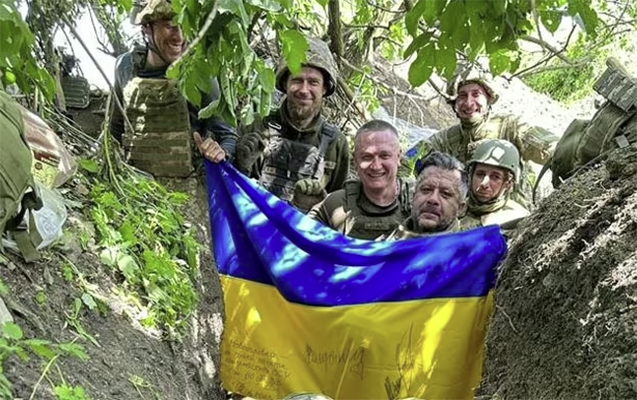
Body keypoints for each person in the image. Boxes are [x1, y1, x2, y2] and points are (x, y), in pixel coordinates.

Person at [110, 0, 237, 179]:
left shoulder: (199, 72)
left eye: (184, 25)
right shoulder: (125, 67)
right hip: (136, 186)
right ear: (146, 27)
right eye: (170, 26)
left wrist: (220, 152)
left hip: (188, 186)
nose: (179, 37)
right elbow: (115, 129)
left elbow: (228, 136)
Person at [406, 63, 558, 207]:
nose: (469, 103)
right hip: (463, 216)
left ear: (488, 97)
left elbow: (551, 148)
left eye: (476, 94)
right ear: (454, 103)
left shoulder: (510, 128)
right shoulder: (444, 140)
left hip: (510, 216)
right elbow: (407, 161)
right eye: (462, 96)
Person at [233, 37, 350, 212]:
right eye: (297, 80)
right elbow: (230, 195)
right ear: (285, 83)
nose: (304, 90)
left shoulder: (336, 144)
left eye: (313, 82)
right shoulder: (256, 126)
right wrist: (240, 167)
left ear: (324, 88)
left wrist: (318, 207)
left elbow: (338, 214)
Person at [308, 120, 413, 240]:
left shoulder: (420, 204)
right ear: (355, 161)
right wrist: (302, 206)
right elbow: (300, 241)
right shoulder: (335, 204)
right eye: (367, 157)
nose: (376, 166)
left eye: (384, 156)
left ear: (398, 157)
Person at [387, 152, 468, 239]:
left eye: (445, 194)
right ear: (413, 197)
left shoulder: (471, 246)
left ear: (460, 208)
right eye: (426, 189)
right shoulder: (387, 243)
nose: (433, 199)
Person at [460, 139, 530, 232]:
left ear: (508, 184)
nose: (484, 183)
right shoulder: (454, 209)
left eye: (495, 177)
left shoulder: (518, 218)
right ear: (471, 176)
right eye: (480, 174)